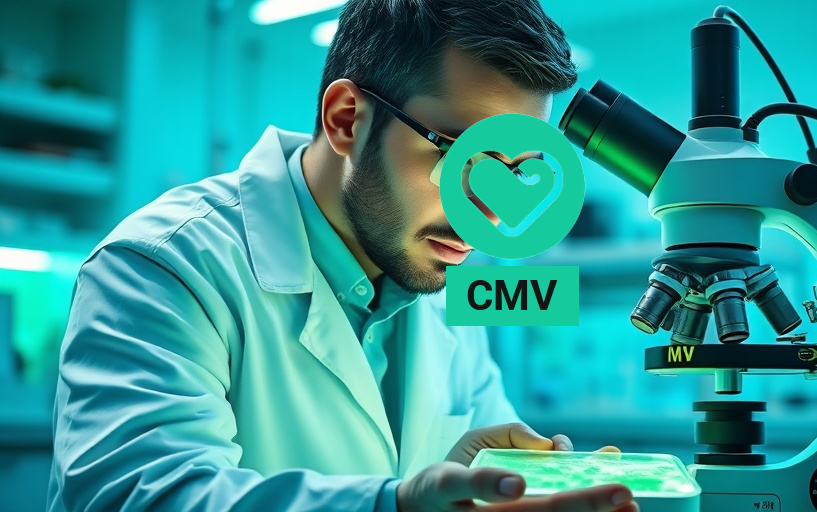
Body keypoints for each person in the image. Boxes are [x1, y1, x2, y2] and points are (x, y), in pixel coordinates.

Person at [46, 0, 638, 511]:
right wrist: (394, 504)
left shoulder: (446, 287)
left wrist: (504, 486)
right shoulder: (164, 265)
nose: (486, 213)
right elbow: (139, 496)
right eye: (457, 156)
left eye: (512, 173)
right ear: (346, 119)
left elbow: (472, 471)